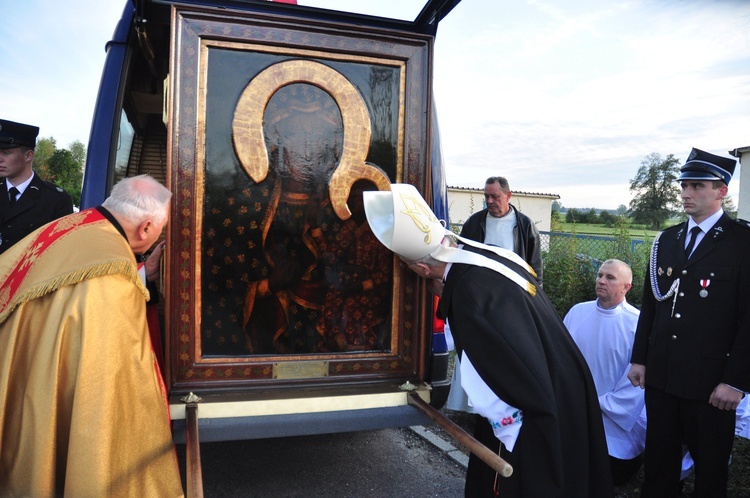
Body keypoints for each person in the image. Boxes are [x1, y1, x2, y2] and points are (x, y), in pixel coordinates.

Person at [363, 183, 613, 497]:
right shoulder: (481, 260)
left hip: (535, 406)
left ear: (423, 267)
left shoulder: (470, 293)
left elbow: (499, 376)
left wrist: (502, 421)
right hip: (564, 378)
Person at [0, 175, 183, 497]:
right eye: (159, 230)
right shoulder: (112, 278)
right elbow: (113, 384)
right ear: (146, 228)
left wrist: (144, 274)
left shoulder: (71, 226)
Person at [628, 148, 750, 497]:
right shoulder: (667, 240)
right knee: (659, 468)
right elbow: (651, 304)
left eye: (697, 186)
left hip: (711, 386)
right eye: (684, 185)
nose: (686, 193)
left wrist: (736, 382)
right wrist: (640, 358)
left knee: (710, 474)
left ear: (721, 191)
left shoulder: (742, 242)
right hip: (663, 377)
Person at [563, 259, 646, 485]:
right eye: (600, 275)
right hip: (574, 412)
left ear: (626, 287)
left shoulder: (637, 323)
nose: (601, 281)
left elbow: (637, 381)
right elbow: (560, 360)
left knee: (604, 478)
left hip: (615, 423)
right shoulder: (577, 313)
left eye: (610, 278)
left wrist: (596, 402)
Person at [0, 118, 73, 254]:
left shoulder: (56, 200)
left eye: (6, 153)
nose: (0, 158)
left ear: (28, 156)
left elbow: (60, 252)